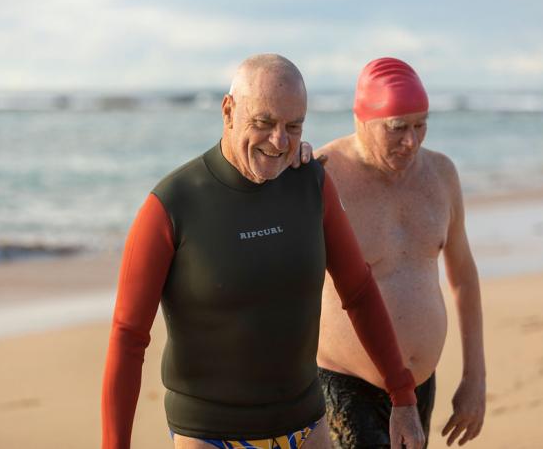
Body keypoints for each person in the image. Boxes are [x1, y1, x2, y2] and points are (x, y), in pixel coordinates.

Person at [101, 54, 425, 449]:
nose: (279, 141)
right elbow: (129, 335)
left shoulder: (310, 183)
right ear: (228, 111)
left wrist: (402, 394)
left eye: (293, 126)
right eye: (264, 123)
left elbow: (357, 291)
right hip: (209, 432)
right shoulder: (173, 203)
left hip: (306, 423)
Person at [315, 58, 486, 448]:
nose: (411, 141)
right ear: (362, 119)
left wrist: (475, 377)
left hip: (420, 383)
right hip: (345, 380)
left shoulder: (441, 175)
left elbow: (463, 276)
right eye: (397, 128)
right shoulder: (322, 175)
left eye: (420, 125)